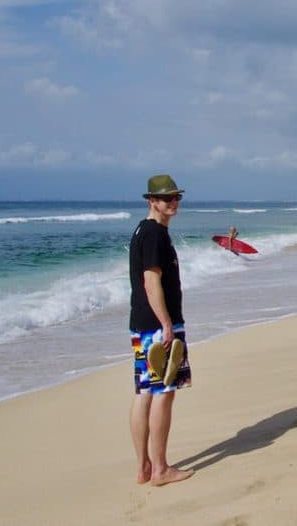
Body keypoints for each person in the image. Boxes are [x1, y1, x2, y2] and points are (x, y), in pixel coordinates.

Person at [128, 174, 194, 487]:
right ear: (152, 201)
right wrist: (167, 324)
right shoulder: (154, 234)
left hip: (142, 325)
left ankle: (143, 468)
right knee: (163, 394)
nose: (174, 202)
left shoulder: (142, 231)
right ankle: (160, 469)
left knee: (144, 393)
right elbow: (151, 281)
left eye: (177, 197)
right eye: (167, 198)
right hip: (158, 326)